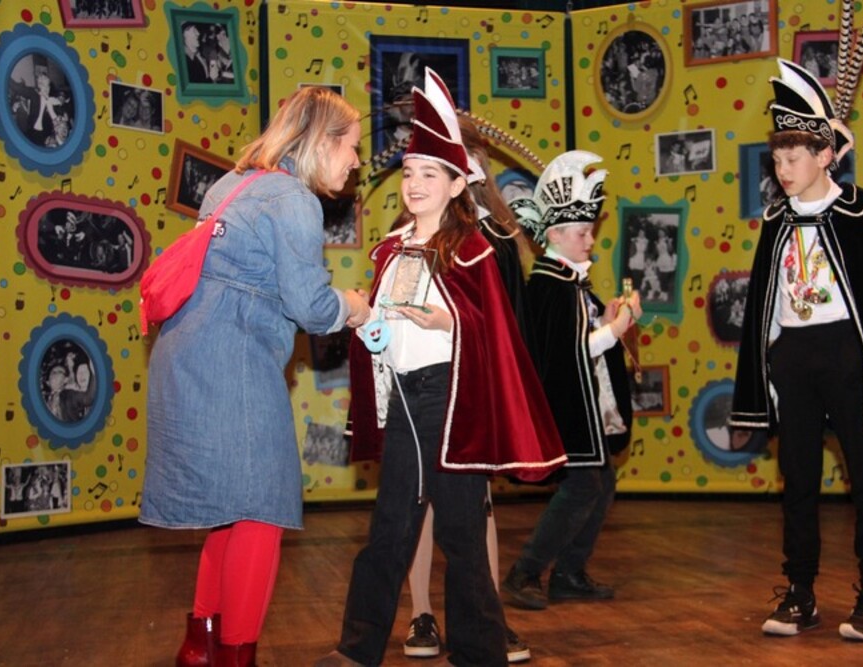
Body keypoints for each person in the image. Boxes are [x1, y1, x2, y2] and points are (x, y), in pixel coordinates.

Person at [316, 68, 565, 667]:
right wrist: (366, 324)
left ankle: (478, 652)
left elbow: (493, 331)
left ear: (458, 184)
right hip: (405, 396)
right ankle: (357, 649)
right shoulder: (390, 249)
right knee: (391, 525)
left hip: (451, 399)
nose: (416, 184)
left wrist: (448, 321)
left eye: (431, 174)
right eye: (409, 173)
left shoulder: (474, 249)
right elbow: (382, 328)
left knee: (459, 529)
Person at [139, 85, 370, 667]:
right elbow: (310, 307)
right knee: (263, 508)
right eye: (351, 146)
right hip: (233, 362)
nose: (356, 161)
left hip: (185, 354)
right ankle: (235, 655)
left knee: (231, 507)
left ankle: (201, 645)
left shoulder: (230, 184)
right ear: (322, 141)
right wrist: (354, 304)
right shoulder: (294, 199)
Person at [729, 59, 863, 642]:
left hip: (850, 355)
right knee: (798, 480)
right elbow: (765, 302)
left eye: (793, 158)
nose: (782, 170)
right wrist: (770, 364)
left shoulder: (860, 211)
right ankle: (800, 593)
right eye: (776, 160)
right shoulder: (775, 220)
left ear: (825, 156)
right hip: (793, 357)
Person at [399, 112, 536, 663]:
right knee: (422, 504)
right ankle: (421, 615)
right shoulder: (416, 229)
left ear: (471, 165)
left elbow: (510, 324)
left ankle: (487, 617)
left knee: (478, 508)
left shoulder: (496, 236)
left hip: (476, 386)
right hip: (423, 387)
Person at [503, 150, 639, 611]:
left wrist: (608, 318)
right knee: (584, 486)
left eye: (590, 231)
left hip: (583, 409)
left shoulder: (570, 283)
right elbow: (566, 353)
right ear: (555, 235)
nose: (591, 241)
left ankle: (568, 573)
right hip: (564, 411)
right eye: (582, 233)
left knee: (601, 483)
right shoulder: (549, 285)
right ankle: (525, 571)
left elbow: (580, 336)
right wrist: (613, 330)